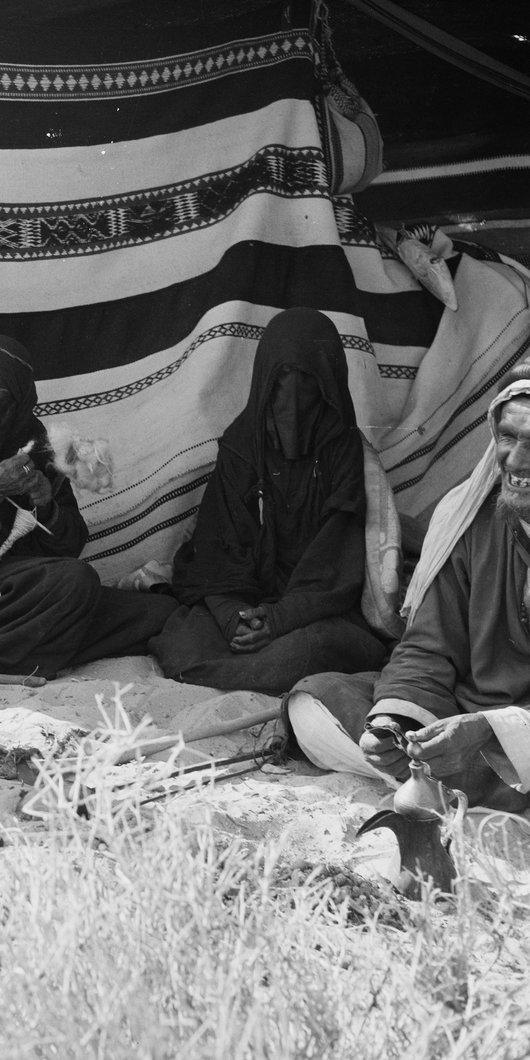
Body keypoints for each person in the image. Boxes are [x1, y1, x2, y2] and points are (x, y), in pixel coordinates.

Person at [285, 363, 530, 811]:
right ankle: (446, 777)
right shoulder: (469, 519)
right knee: (313, 703)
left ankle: (463, 782)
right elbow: (429, 647)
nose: (514, 462)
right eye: (509, 437)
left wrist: (494, 729)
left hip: (515, 734)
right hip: (461, 718)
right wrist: (396, 724)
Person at [150, 307, 388, 695]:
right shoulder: (243, 445)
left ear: (329, 385)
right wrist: (235, 617)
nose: (291, 402)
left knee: (314, 648)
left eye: (307, 383)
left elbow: (337, 562)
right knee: (184, 643)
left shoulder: (342, 450)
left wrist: (279, 619)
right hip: (248, 598)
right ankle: (252, 662)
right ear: (263, 382)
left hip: (313, 610)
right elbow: (217, 547)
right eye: (280, 383)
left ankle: (255, 666)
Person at [0, 335, 176, 679]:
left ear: (21, 404)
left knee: (157, 613)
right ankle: (42, 646)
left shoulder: (35, 449)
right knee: (76, 583)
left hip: (18, 594)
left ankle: (33, 647)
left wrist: (47, 506)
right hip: (17, 600)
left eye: (0, 405)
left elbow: (69, 547)